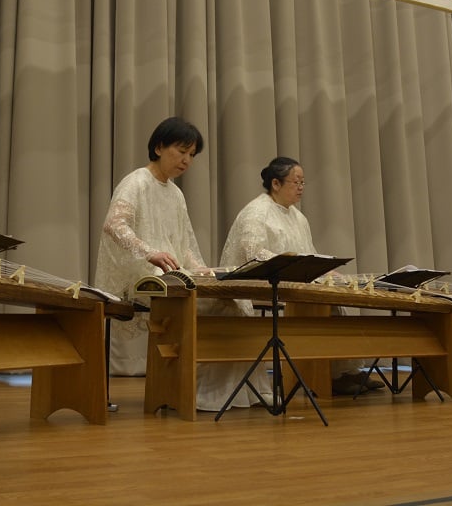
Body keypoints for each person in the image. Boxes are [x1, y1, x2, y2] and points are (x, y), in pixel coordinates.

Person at [195, 157, 380, 410]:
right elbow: (253, 252)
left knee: (332, 302)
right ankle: (321, 375)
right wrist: (295, 266)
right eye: (296, 181)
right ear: (275, 183)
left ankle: (338, 373)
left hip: (289, 283)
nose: (301, 187)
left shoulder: (298, 218)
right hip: (252, 285)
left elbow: (308, 252)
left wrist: (326, 271)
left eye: (303, 182)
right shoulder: (256, 211)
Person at [94, 117, 208, 376]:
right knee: (176, 288)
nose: (187, 160)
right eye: (181, 151)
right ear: (158, 148)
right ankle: (172, 377)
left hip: (164, 271)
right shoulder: (136, 182)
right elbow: (114, 225)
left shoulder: (176, 194)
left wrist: (201, 269)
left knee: (216, 297)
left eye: (192, 155)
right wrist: (150, 253)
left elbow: (183, 243)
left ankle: (202, 381)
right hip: (137, 272)